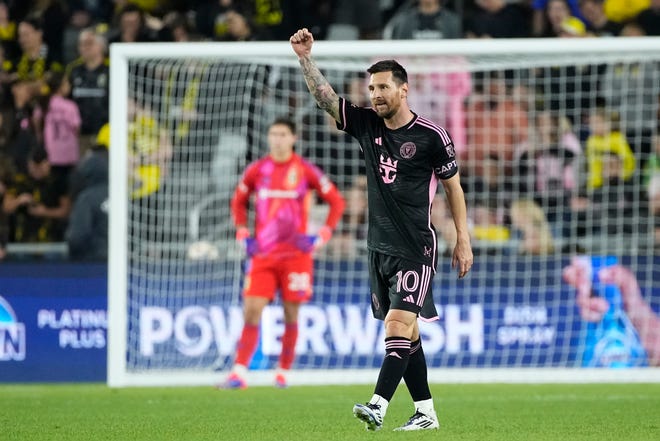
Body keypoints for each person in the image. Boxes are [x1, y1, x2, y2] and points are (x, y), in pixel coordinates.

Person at [290, 28, 473, 431]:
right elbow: (325, 98)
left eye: (384, 87)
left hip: (415, 247)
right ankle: (425, 412)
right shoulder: (367, 126)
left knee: (396, 325)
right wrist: (305, 58)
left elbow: (453, 187)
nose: (375, 94)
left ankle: (377, 404)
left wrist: (463, 238)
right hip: (379, 248)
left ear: (403, 90)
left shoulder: (431, 136)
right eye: (371, 87)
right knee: (408, 335)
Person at [222, 117, 345, 389]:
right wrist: (243, 232)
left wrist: (322, 235)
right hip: (263, 255)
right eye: (273, 134)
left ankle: (283, 371)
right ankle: (239, 372)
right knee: (251, 310)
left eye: (282, 134)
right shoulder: (257, 170)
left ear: (293, 138)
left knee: (291, 313)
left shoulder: (305, 170)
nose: (277, 139)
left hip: (296, 257)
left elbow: (336, 201)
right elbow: (238, 202)